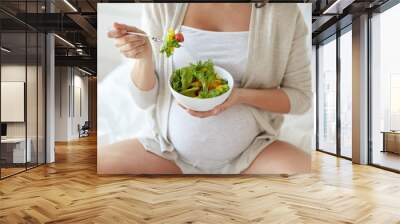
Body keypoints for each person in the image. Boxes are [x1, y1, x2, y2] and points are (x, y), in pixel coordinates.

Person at [99, 3, 312, 174]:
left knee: (313, 181)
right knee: (98, 164)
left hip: (253, 154)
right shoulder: (163, 6)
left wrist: (239, 96)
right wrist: (143, 57)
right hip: (167, 153)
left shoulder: (284, 12)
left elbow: (300, 98)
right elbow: (144, 101)